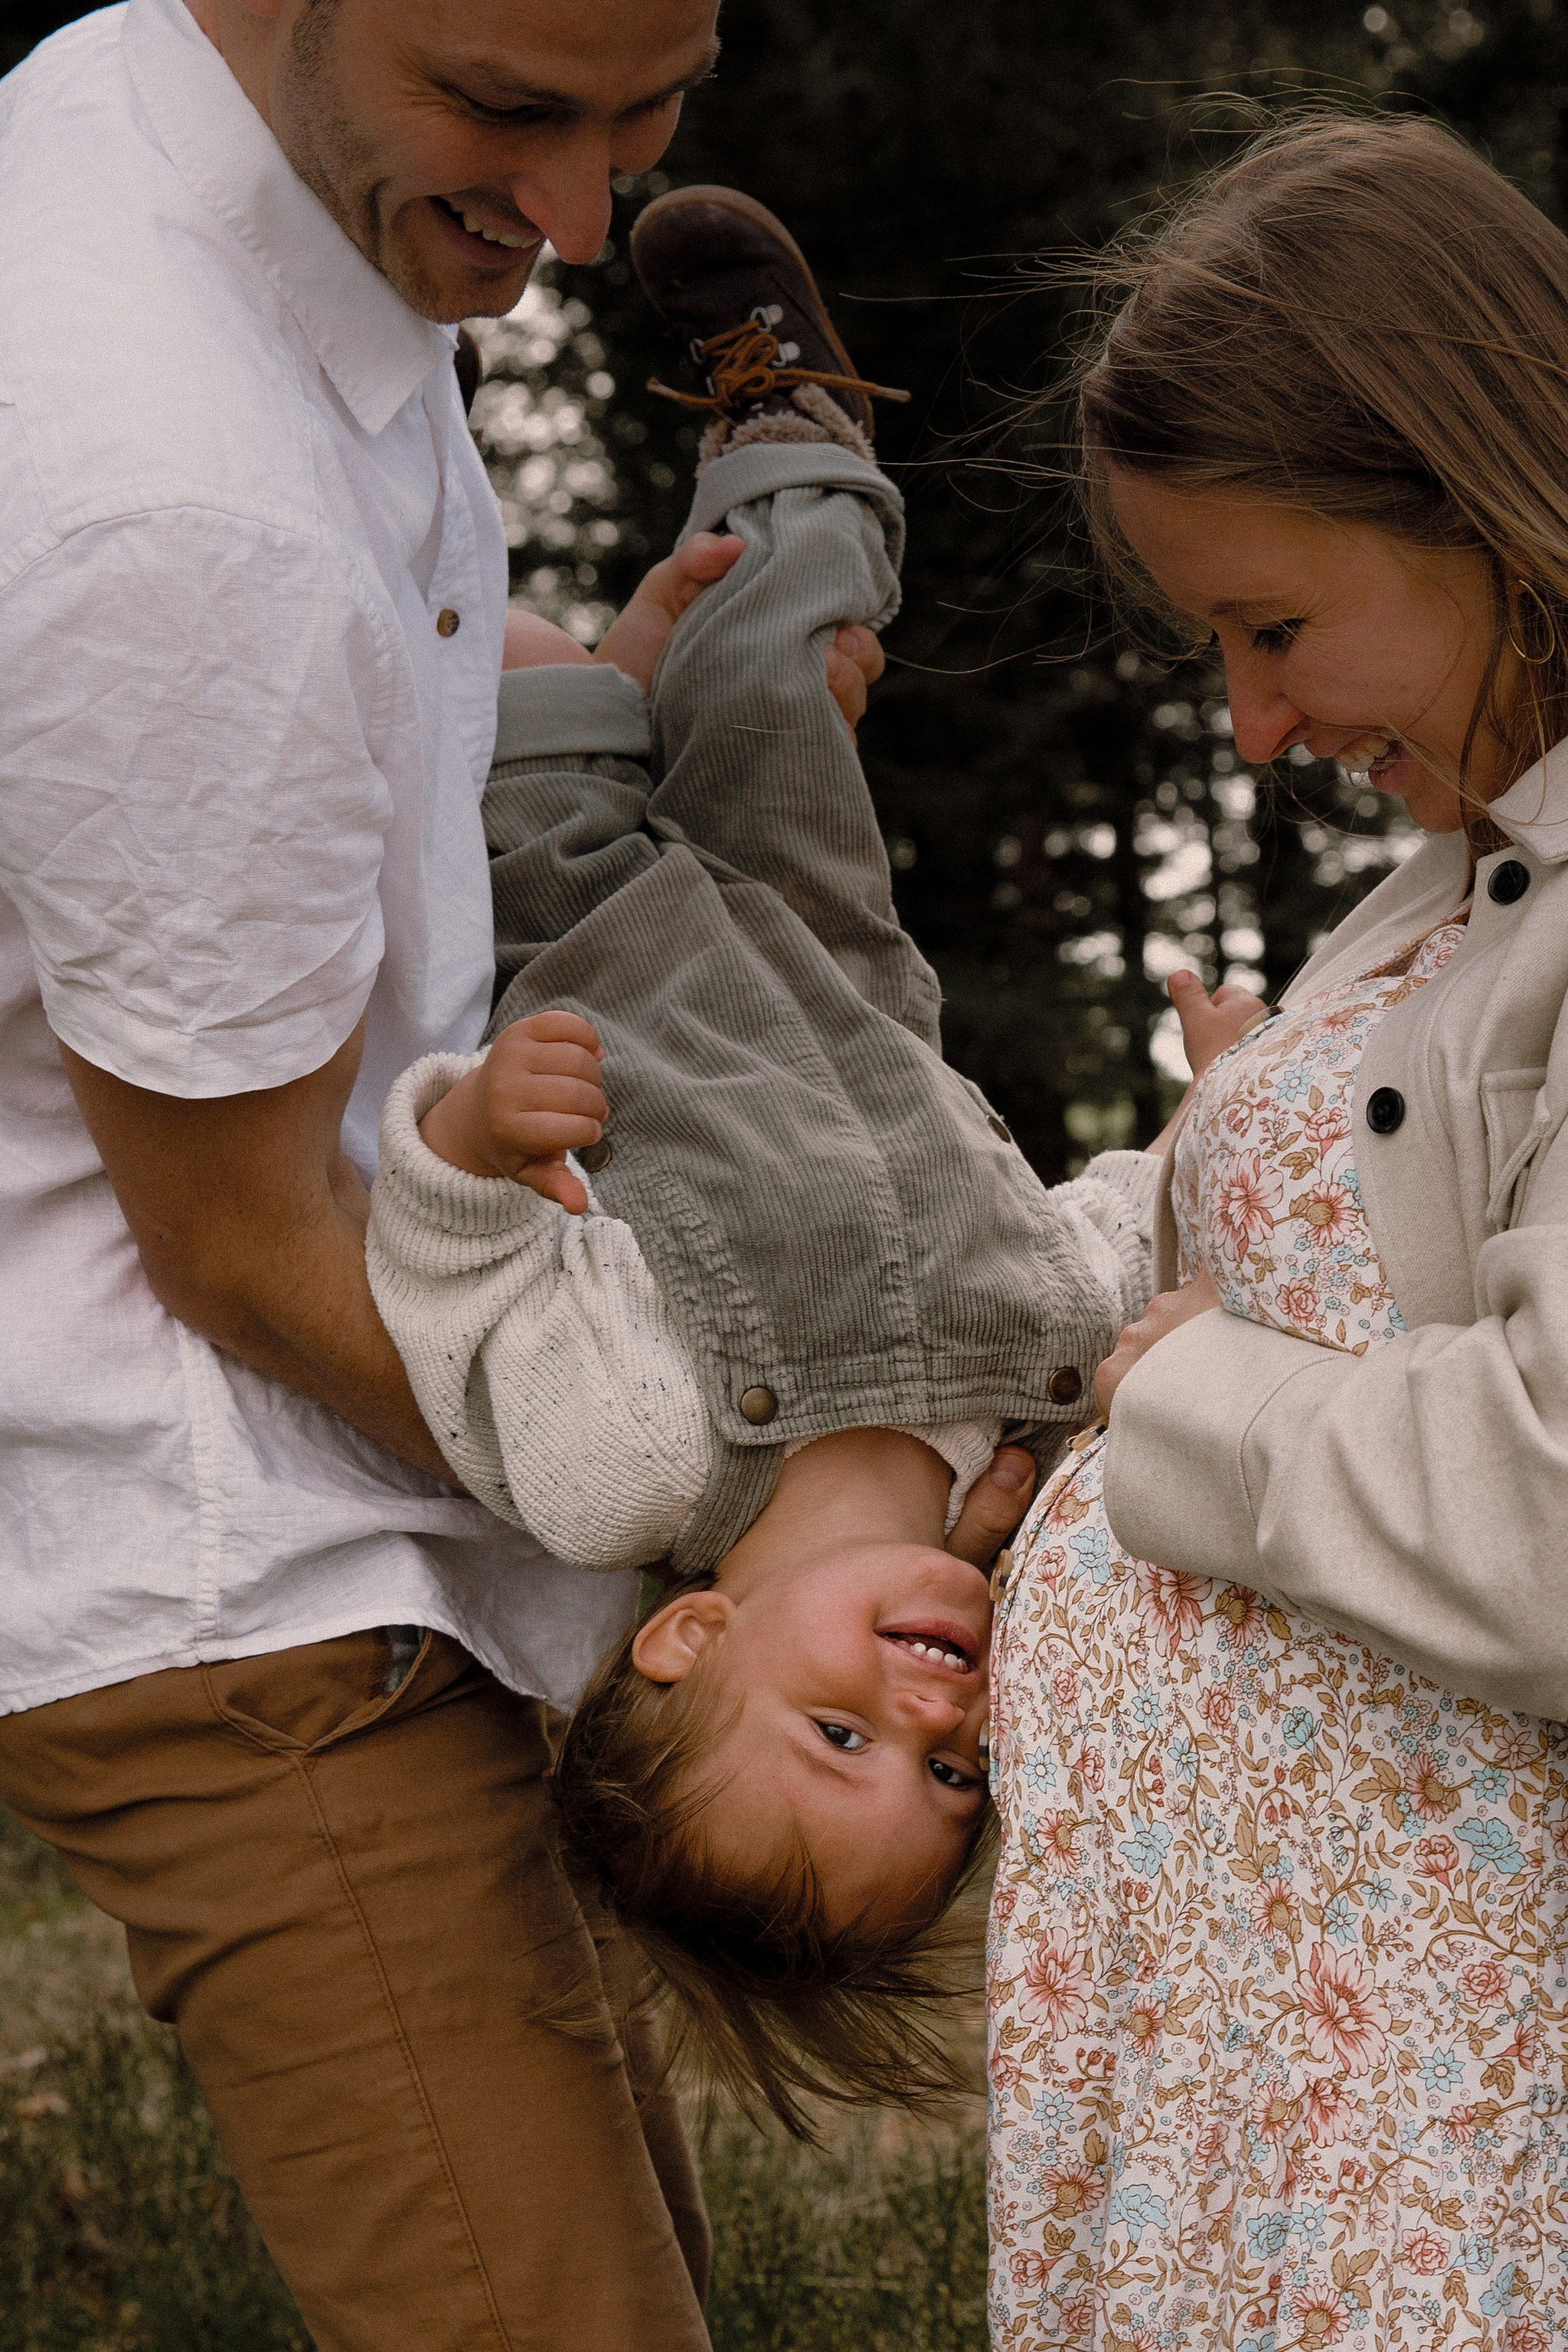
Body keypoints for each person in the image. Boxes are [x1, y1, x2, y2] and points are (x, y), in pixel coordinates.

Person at [0, 2, 805, 2346]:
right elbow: (248, 1254)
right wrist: (746, 1501)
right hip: (244, 1569)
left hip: (389, 1500)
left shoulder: (201, 134)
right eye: (513, 117)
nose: (583, 223)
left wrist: (580, 674)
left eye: (652, 116)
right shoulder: (159, 478)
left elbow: (316, 700)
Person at [365, 186, 1172, 2135]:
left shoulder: (628, 1463)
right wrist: (1238, 1114)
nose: (933, 1719)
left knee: (505, 641)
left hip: (583, 906)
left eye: (839, 1739)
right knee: (773, 629)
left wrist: (470, 1143)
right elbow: (1125, 1227)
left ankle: (391, 421)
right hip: (825, 939)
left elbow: (455, 1287)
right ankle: (797, 423)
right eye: (955, 1781)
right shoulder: (1034, 1433)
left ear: (689, 1632)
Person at [986, 112, 1568, 2351]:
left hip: (1434, 2061)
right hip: (1269, 2040)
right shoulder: (1442, 890)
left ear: (1486, 489)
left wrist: (1183, 1398)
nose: (1251, 724)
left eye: (1276, 623)